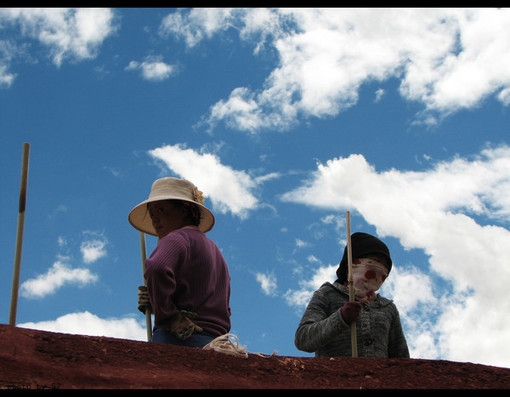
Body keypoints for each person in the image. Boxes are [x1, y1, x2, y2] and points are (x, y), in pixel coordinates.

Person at [128, 177, 231, 348]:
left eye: (161, 210)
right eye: (152, 214)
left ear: (184, 210)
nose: (155, 219)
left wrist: (168, 316)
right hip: (217, 344)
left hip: (180, 340)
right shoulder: (215, 251)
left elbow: (157, 267)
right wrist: (156, 299)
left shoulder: (177, 238)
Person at [294, 232, 409, 358]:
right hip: (334, 376)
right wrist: (341, 318)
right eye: (374, 261)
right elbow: (303, 339)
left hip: (379, 378)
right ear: (353, 264)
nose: (379, 269)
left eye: (384, 266)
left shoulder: (388, 308)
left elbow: (401, 358)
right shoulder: (327, 294)